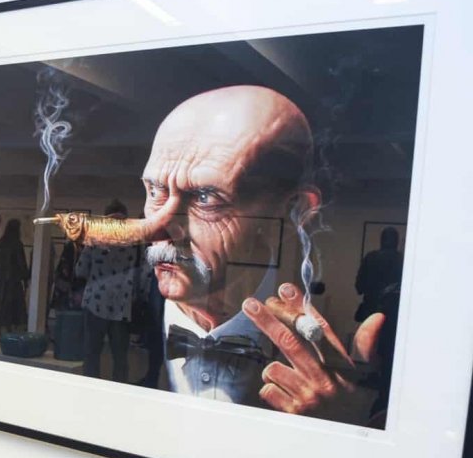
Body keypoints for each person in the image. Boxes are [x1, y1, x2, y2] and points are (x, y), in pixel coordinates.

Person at [126, 85, 384, 425]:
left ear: (293, 211)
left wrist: (341, 431)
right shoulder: (116, 309)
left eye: (205, 197)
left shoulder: (327, 349)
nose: (157, 228)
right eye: (155, 191)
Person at [75, 199, 137, 382]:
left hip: (96, 302)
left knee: (92, 352)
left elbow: (80, 270)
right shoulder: (134, 241)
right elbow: (141, 274)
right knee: (120, 356)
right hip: (122, 305)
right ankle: (119, 389)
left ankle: (91, 388)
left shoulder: (95, 238)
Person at [354, 227, 404, 323]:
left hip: (371, 308)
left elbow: (359, 286)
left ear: (381, 240)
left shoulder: (370, 258)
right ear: (396, 242)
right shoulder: (402, 260)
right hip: (393, 311)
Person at [0, 218, 30, 332]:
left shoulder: (1, 242)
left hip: (1, 278)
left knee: (1, 303)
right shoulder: (17, 244)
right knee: (14, 304)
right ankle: (10, 328)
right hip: (13, 278)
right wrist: (26, 277)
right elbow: (21, 262)